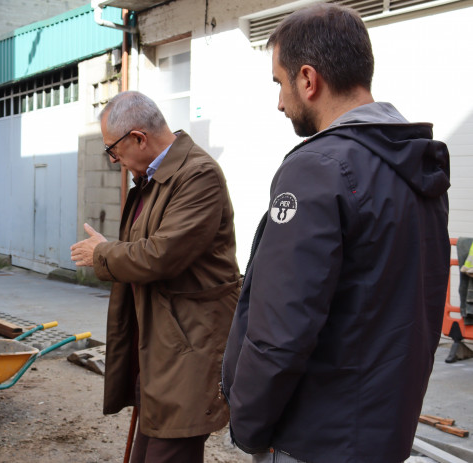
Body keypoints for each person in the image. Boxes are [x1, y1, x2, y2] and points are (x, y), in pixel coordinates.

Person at [221, 4, 450, 463]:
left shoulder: (317, 170)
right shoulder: (416, 164)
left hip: (314, 437)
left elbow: (280, 329)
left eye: (279, 84)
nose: (280, 102)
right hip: (383, 433)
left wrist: (247, 425)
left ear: (308, 80)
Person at [70, 91, 240, 462]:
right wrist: (112, 251)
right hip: (161, 344)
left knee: (169, 452)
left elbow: (161, 255)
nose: (115, 160)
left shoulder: (198, 175)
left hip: (188, 346)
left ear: (138, 139)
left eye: (113, 150)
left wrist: (102, 253)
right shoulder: (153, 177)